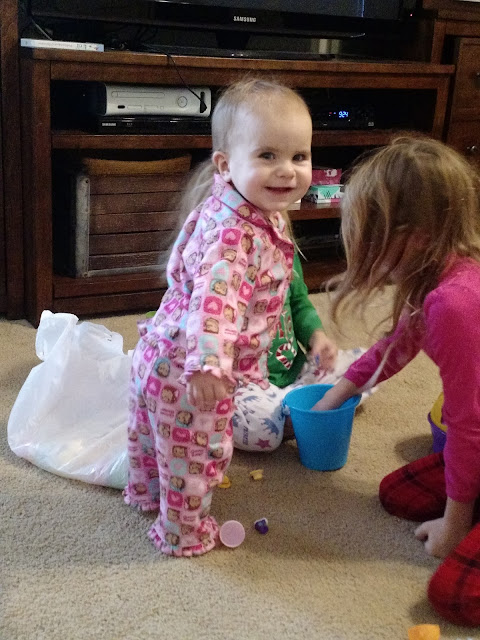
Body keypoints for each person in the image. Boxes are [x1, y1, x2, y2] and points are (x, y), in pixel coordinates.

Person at [123, 78, 314, 556]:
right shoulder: (236, 235)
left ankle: (145, 493)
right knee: (195, 453)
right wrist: (209, 365)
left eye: (299, 156)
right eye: (267, 155)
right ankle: (182, 533)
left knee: (150, 433)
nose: (287, 170)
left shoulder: (238, 205)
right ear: (226, 165)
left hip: (158, 350)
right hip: (190, 367)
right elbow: (216, 302)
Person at [313, 135, 480, 626]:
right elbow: (395, 347)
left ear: (416, 237)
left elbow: (469, 427)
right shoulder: (438, 279)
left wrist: (454, 525)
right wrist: (331, 399)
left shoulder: (454, 303)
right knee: (396, 494)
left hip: (475, 433)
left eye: (370, 235)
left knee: (453, 596)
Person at [232, 251, 370, 452]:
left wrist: (316, 337)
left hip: (296, 374)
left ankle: (294, 414)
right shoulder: (225, 258)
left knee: (368, 364)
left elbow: (298, 303)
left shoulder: (285, 249)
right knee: (259, 430)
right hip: (247, 384)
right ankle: (304, 413)